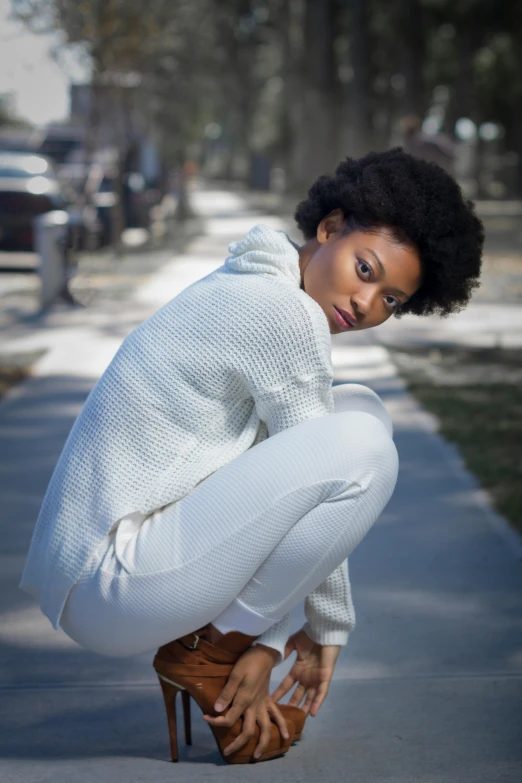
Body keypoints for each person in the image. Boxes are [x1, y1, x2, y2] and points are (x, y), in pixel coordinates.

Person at [20, 147, 484, 764]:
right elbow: (334, 467)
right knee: (366, 447)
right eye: (366, 270)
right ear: (328, 228)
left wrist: (296, 632)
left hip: (102, 569)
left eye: (393, 300)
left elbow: (291, 455)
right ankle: (213, 651)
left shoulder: (255, 277)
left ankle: (217, 646)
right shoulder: (282, 312)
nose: (369, 304)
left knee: (361, 413)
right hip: (111, 580)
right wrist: (304, 635)